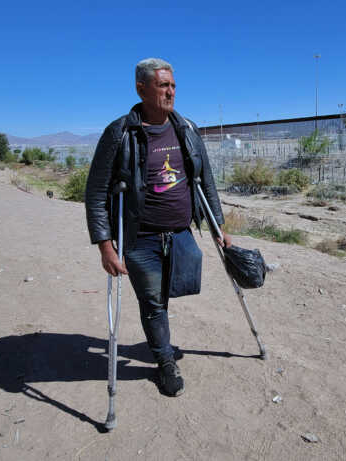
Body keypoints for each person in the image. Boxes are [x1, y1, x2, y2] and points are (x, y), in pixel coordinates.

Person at [85, 58, 230, 397]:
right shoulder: (119, 133)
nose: (170, 92)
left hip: (181, 234)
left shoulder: (187, 129)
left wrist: (218, 226)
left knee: (174, 291)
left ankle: (157, 339)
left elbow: (204, 181)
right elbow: (95, 192)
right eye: (163, 85)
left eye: (173, 86)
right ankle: (165, 362)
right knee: (152, 303)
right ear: (141, 88)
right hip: (140, 238)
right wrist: (105, 244)